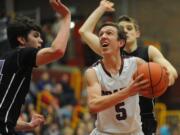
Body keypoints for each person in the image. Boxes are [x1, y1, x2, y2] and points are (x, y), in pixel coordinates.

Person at [79, 0, 178, 134]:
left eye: (129, 28)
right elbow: (84, 31)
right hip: (111, 123)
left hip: (143, 115)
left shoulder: (146, 53)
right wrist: (101, 8)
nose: (125, 31)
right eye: (121, 28)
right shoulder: (109, 50)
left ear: (137, 33)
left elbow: (168, 69)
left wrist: (168, 76)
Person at [0, 0, 71, 134]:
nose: (41, 40)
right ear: (21, 40)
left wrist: (28, 125)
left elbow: (4, 117)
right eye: (36, 36)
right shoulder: (21, 53)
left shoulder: (5, 59)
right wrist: (66, 17)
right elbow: (57, 51)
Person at [85, 21, 150, 134]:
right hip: (104, 132)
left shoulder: (137, 64)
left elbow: (155, 81)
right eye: (101, 34)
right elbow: (93, 105)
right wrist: (127, 92)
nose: (103, 36)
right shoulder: (93, 72)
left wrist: (165, 76)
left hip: (134, 132)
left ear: (120, 42)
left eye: (109, 33)